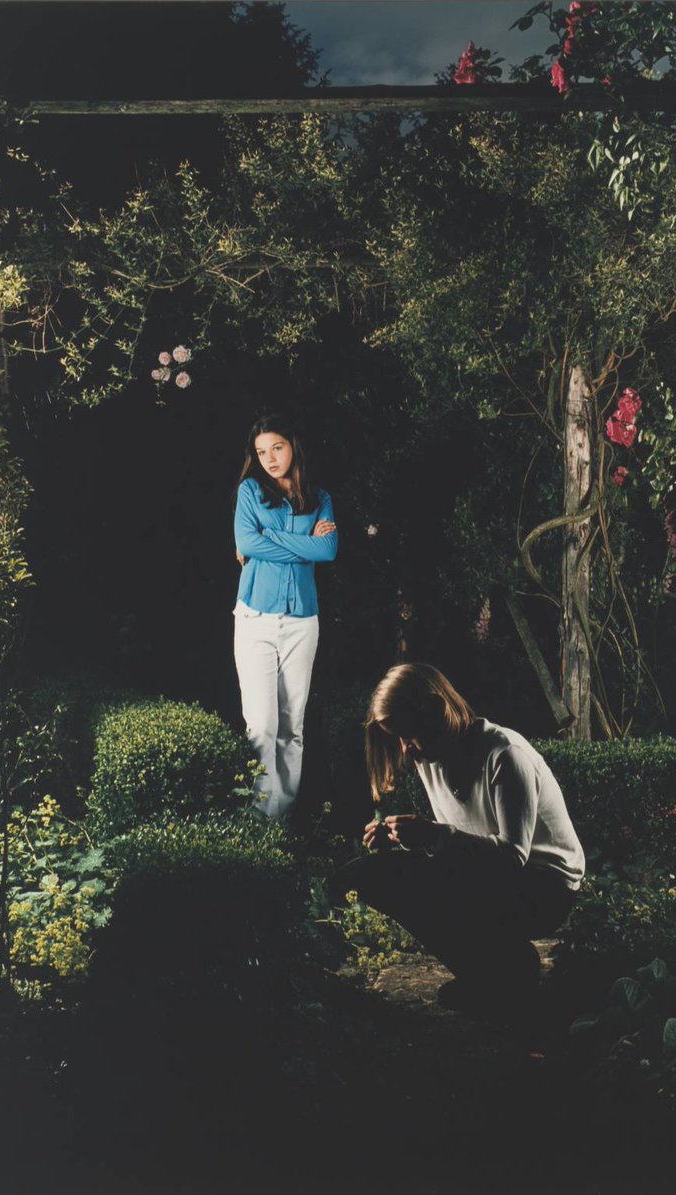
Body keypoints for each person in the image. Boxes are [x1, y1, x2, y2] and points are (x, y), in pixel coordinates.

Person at [335, 663, 585, 1015]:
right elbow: (457, 844)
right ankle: (495, 972)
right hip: (498, 877)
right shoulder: (430, 758)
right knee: (374, 875)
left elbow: (512, 857)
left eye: (409, 734)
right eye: (399, 738)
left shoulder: (505, 755)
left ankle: (508, 971)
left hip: (547, 887)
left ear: (436, 711)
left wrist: (434, 836)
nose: (405, 749)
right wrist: (405, 838)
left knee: (411, 881)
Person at [233, 413, 337, 820]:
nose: (270, 459)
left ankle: (284, 820)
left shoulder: (319, 496)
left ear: (292, 445)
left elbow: (327, 551)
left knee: (292, 728)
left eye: (276, 447)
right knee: (261, 727)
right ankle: (263, 822)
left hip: (302, 624)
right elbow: (245, 541)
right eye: (261, 452)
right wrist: (301, 541)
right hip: (255, 620)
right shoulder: (249, 492)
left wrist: (265, 539)